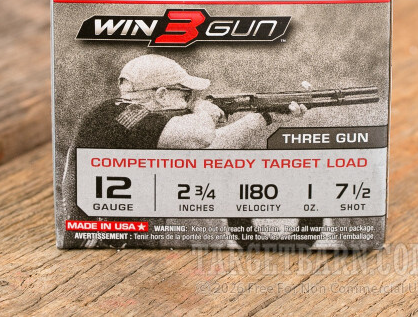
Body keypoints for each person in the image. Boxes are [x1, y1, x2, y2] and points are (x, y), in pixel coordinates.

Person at [61, 54, 308, 247]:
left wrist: (266, 117)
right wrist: (203, 110)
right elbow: (200, 136)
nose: (190, 102)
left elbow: (211, 145)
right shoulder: (115, 113)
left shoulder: (143, 126)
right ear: (162, 95)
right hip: (98, 252)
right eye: (187, 95)